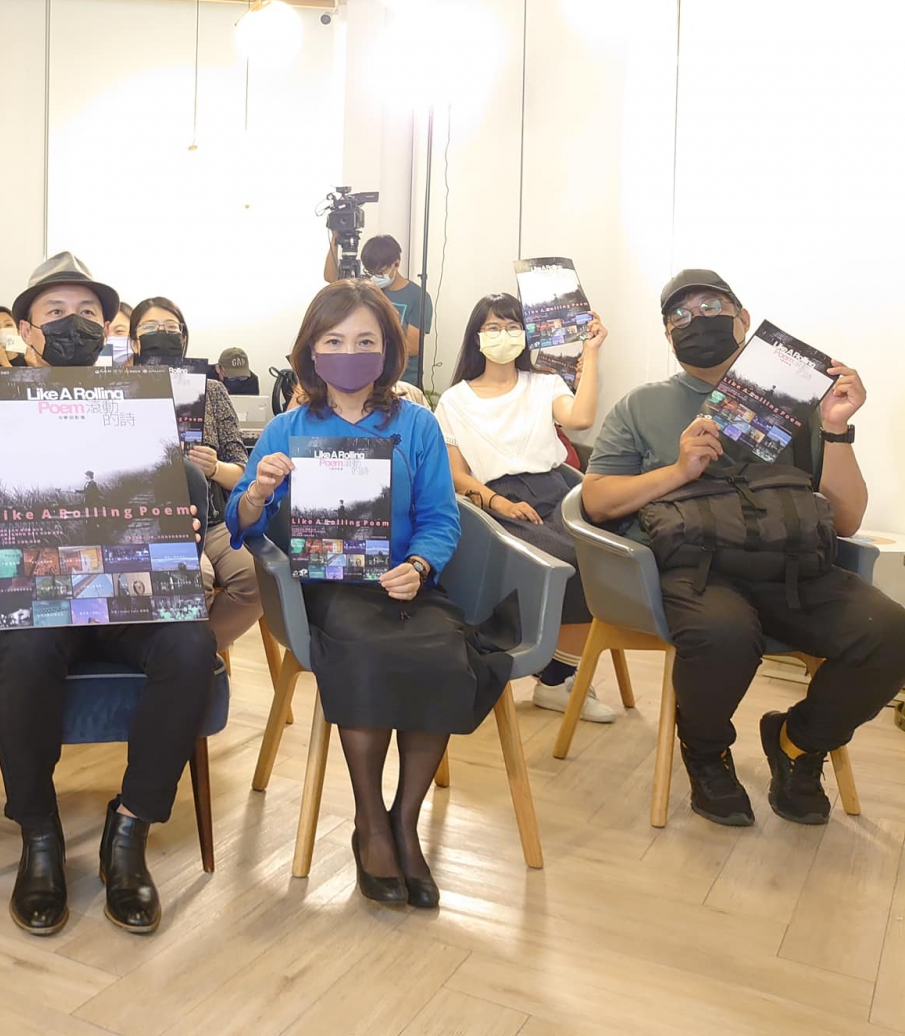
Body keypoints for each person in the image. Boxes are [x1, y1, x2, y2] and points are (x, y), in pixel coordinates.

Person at [0, 252, 217, 937]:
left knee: (192, 643)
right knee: (25, 648)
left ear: (108, 327)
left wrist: (177, 534)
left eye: (89, 313)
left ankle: (129, 828)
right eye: (57, 312)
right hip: (42, 590)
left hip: (131, 594)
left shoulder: (142, 410)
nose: (75, 323)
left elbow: (169, 509)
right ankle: (39, 834)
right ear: (27, 331)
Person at [582, 269, 905, 827]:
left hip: (795, 565)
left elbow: (846, 518)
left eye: (711, 306)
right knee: (723, 633)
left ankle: (798, 744)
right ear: (667, 335)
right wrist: (678, 470)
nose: (696, 320)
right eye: (679, 315)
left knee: (890, 632)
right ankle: (706, 754)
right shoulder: (642, 406)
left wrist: (836, 428)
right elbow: (597, 500)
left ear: (744, 318)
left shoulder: (798, 400)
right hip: (700, 571)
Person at [229, 279, 511, 911]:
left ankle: (405, 821)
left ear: (387, 350)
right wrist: (258, 491)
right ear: (311, 349)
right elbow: (242, 523)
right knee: (362, 652)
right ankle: (369, 822)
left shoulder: (417, 424)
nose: (349, 353)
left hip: (405, 584)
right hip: (329, 589)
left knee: (443, 656)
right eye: (334, 341)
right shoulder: (287, 428)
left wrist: (419, 563)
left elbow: (441, 518)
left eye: (365, 340)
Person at [436, 293, 612, 722]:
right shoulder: (454, 401)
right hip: (495, 502)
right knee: (568, 562)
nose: (504, 335)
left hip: (557, 491)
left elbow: (581, 418)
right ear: (477, 337)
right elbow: (456, 475)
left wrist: (590, 353)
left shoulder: (544, 384)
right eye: (493, 328)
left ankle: (557, 676)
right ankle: (555, 677)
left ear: (526, 335)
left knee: (603, 557)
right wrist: (499, 501)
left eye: (513, 327)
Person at [129, 297, 261, 652]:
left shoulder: (212, 390)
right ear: (134, 342)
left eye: (171, 328)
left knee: (257, 578)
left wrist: (215, 468)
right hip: (156, 521)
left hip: (215, 520)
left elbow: (242, 472)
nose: (162, 334)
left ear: (184, 338)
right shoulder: (121, 390)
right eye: (151, 328)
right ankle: (181, 658)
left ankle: (201, 653)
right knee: (193, 577)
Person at [324, 235, 432, 388]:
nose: (375, 277)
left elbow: (413, 347)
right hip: (366, 378)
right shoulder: (364, 288)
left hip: (401, 381)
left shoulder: (418, 297)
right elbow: (331, 277)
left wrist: (370, 346)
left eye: (380, 273)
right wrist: (335, 239)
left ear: (396, 264)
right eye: (371, 272)